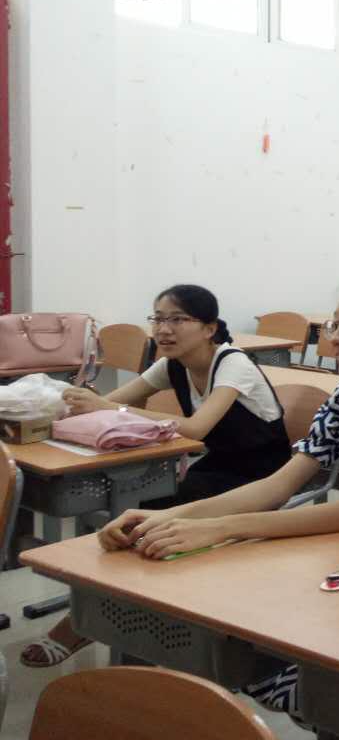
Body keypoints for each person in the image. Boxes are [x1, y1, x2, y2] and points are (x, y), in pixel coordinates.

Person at [94, 277, 339, 715]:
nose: (335, 338)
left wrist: (218, 529)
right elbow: (278, 486)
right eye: (334, 324)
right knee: (261, 632)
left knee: (337, 687)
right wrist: (172, 517)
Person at [21, 283, 292, 669]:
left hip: (263, 479)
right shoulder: (172, 365)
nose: (164, 329)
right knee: (139, 512)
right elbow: (112, 403)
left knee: (150, 523)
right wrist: (71, 403)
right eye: (159, 319)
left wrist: (109, 409)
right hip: (216, 468)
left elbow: (196, 429)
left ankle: (91, 620)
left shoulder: (233, 363)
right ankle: (109, 612)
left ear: (209, 328)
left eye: (178, 319)